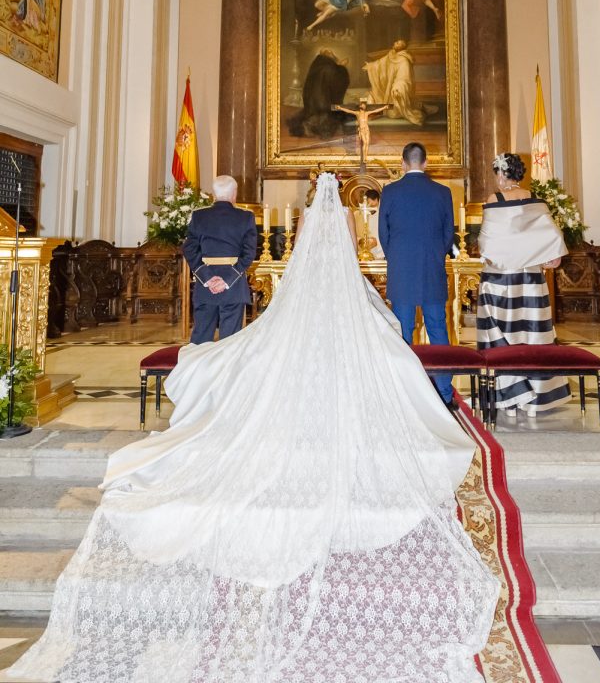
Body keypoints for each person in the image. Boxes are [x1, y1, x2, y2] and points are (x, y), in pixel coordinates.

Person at [7, 172, 499, 683]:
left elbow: (269, 256)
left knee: (264, 342)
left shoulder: (303, 218)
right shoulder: (348, 221)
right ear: (342, 201)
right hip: (341, 287)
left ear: (312, 202)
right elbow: (352, 255)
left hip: (283, 290)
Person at [476, 152, 571, 417]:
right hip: (530, 280)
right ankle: (534, 401)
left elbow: (487, 244)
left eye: (496, 173)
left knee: (501, 338)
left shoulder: (495, 200)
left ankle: (509, 399)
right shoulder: (536, 202)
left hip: (501, 281)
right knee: (531, 335)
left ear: (502, 173)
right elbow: (552, 245)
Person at [379, 142, 456, 408]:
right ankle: (445, 394)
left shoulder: (390, 191)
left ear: (403, 163)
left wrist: (396, 259)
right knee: (438, 329)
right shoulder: (442, 192)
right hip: (432, 268)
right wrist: (436, 255)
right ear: (425, 163)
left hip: (401, 270)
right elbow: (449, 233)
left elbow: (383, 234)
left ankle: (406, 393)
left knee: (403, 330)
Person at [183, 174, 257, 343]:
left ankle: (197, 368)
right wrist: (227, 280)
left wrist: (207, 277)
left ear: (214, 194)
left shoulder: (199, 216)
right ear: (234, 193)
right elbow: (249, 253)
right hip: (234, 286)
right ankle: (227, 369)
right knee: (230, 340)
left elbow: (189, 248)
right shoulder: (245, 217)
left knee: (201, 337)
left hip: (204, 286)